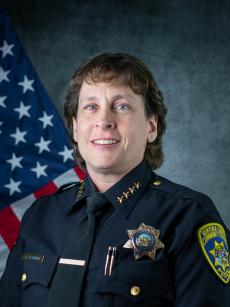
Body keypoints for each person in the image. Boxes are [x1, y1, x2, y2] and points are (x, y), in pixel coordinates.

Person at [0, 52, 229, 307]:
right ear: (75, 127)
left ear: (151, 127)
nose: (104, 120)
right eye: (91, 107)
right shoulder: (40, 215)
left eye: (122, 106)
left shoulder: (189, 217)